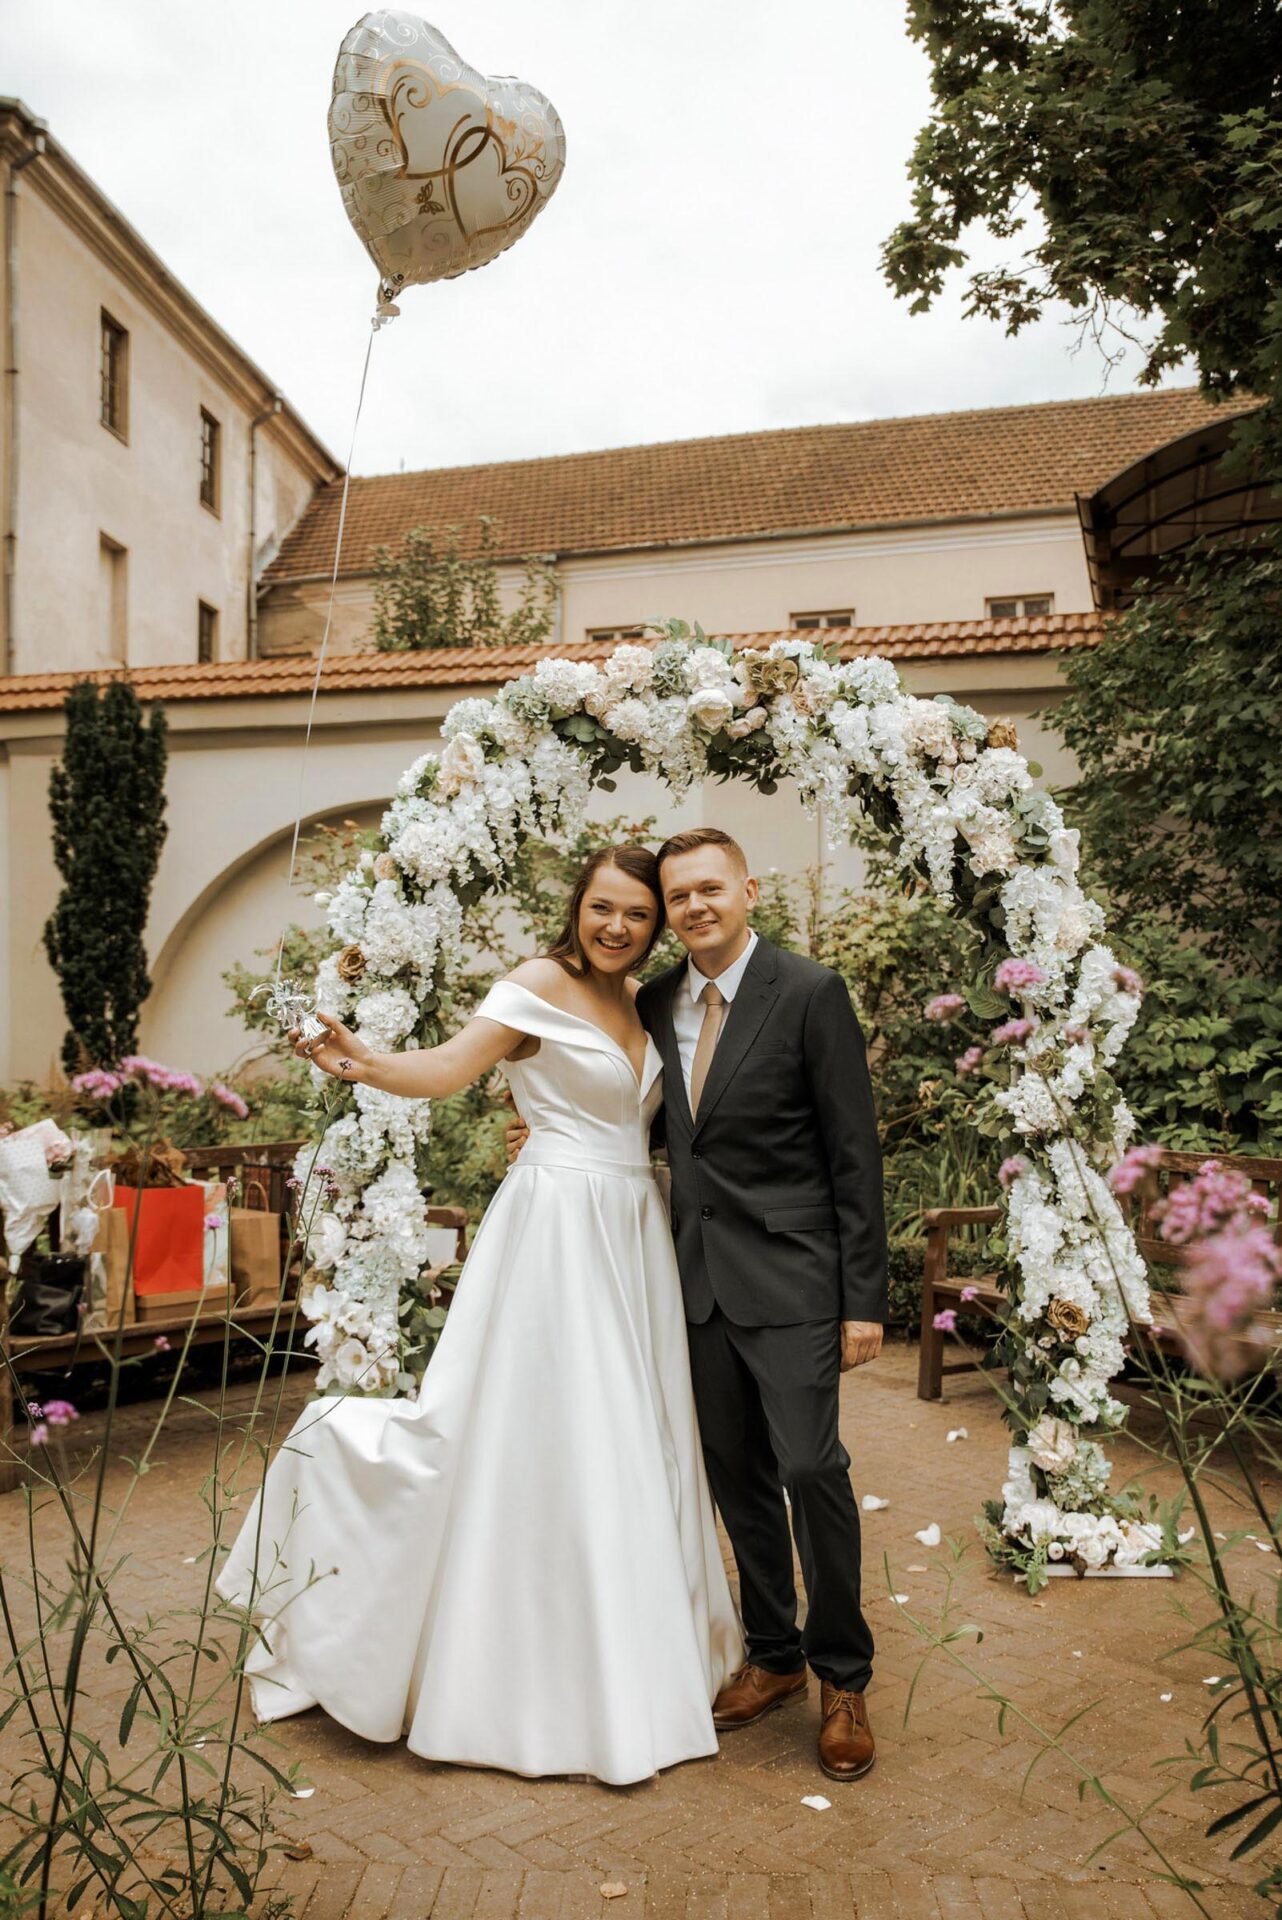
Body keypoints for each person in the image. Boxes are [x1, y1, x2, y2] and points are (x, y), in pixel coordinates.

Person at [215, 844, 743, 1787]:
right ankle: (522, 1673)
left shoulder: (647, 1001)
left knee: (640, 1433)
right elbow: (447, 1068)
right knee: (543, 1429)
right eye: (602, 909)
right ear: (576, 909)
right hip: (554, 1231)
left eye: (636, 914)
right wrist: (364, 1064)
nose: (618, 926)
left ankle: (634, 1654)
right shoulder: (536, 983)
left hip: (634, 1230)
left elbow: (659, 1115)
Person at [511, 827, 887, 1782]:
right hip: (691, 1280)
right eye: (676, 898)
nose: (693, 909)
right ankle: (776, 1653)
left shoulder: (809, 993)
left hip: (797, 1279)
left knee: (810, 1466)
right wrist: (546, 1136)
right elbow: (624, 1106)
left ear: (747, 890)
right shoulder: (655, 999)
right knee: (735, 1477)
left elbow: (855, 1156)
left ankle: (845, 1677)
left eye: (708, 890)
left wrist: (863, 1301)